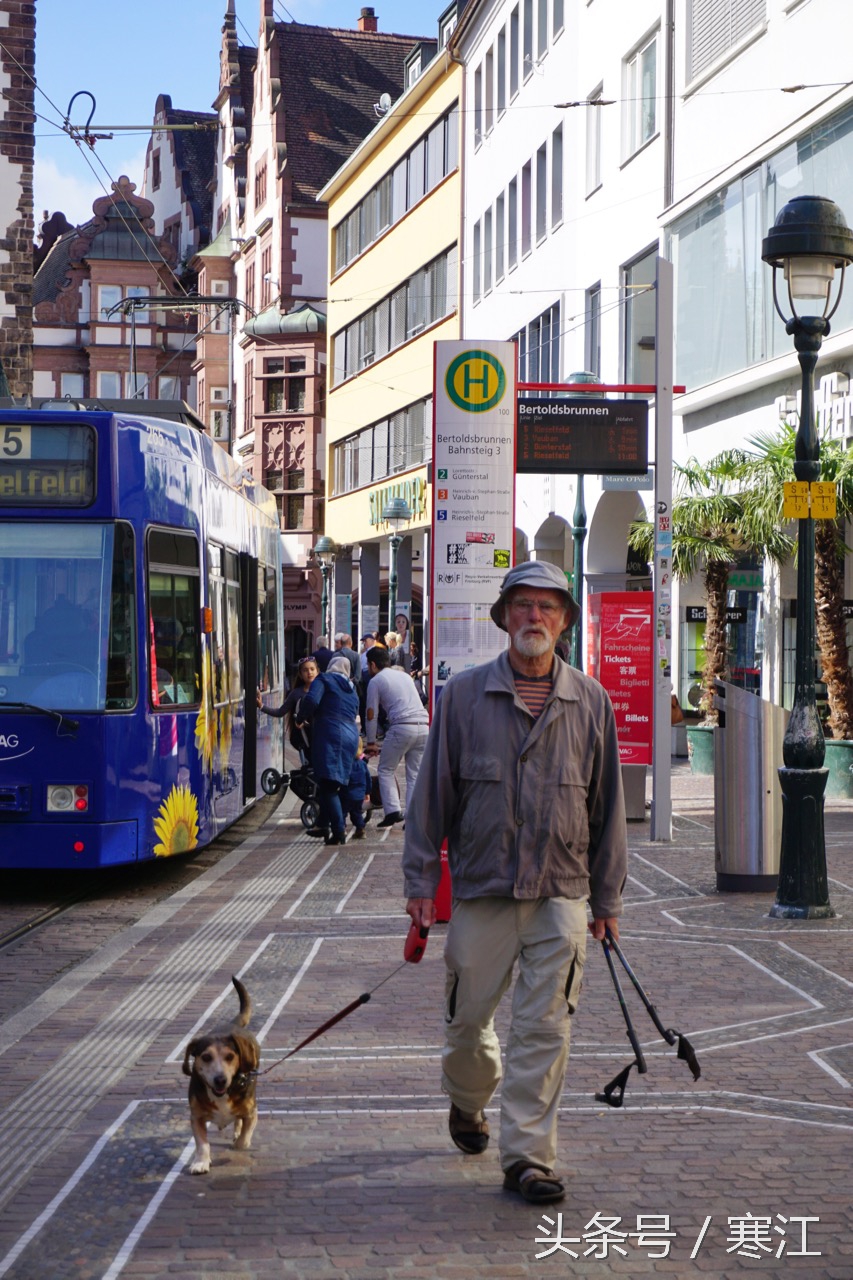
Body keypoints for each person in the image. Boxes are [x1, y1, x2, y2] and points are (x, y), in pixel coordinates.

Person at [402, 560, 627, 1205]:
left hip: (562, 891)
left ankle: (528, 1156)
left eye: (547, 607)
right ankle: (468, 1101)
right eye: (522, 605)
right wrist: (421, 883)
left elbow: (607, 808)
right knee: (467, 1022)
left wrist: (607, 898)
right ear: (503, 618)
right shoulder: (464, 698)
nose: (534, 617)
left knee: (545, 1029)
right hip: (484, 889)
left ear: (564, 621)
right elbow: (430, 800)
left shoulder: (591, 701)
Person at [298, 652, 360, 845]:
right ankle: (322, 824)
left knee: (327, 785)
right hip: (351, 736)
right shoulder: (352, 690)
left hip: (330, 733)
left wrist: (301, 717)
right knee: (333, 782)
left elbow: (311, 700)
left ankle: (339, 832)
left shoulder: (323, 679)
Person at [364, 644, 429, 828]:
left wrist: (371, 742)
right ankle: (413, 817)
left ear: (373, 665)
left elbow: (371, 714)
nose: (368, 669)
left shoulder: (376, 681)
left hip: (401, 726)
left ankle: (392, 810)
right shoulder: (404, 676)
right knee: (414, 774)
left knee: (385, 769)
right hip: (424, 726)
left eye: (369, 666)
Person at [257, 657, 319, 763]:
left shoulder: (323, 691)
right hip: (305, 740)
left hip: (322, 738)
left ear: (317, 671)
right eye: (305, 670)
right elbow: (280, 712)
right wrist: (261, 706)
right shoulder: (296, 693)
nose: (309, 672)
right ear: (300, 674)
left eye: (312, 669)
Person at [343, 744, 372, 840]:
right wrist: (367, 792)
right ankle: (360, 829)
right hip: (359, 795)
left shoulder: (346, 764)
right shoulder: (362, 764)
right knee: (356, 813)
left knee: (342, 812)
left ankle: (341, 829)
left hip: (347, 794)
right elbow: (368, 779)